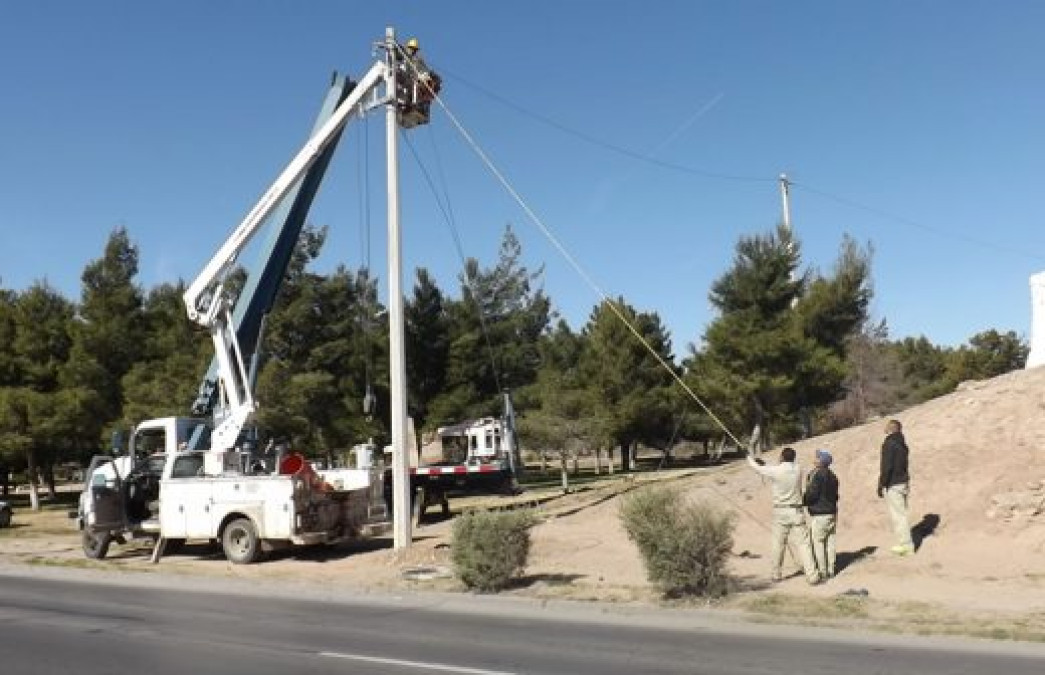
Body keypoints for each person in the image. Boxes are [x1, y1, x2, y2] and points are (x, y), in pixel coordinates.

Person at [747, 447, 820, 584]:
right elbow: (774, 468)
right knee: (804, 545)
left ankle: (776, 574)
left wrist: (749, 459)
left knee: (778, 544)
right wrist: (764, 464)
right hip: (796, 511)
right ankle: (812, 576)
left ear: (781, 457)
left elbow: (759, 469)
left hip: (781, 512)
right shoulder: (798, 469)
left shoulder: (776, 470)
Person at [879, 419, 914, 555]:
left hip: (893, 483)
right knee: (902, 513)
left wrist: (882, 483)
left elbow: (886, 466)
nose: (884, 428)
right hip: (903, 481)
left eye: (887, 426)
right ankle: (905, 544)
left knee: (898, 516)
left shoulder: (889, 443)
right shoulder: (902, 443)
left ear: (891, 428)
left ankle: (906, 546)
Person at [803, 449, 839, 580]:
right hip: (832, 513)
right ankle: (831, 569)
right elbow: (835, 496)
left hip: (820, 514)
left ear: (821, 461)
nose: (815, 458)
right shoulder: (834, 476)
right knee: (831, 542)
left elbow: (812, 494)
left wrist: (804, 501)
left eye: (817, 457)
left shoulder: (816, 475)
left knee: (818, 542)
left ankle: (822, 572)